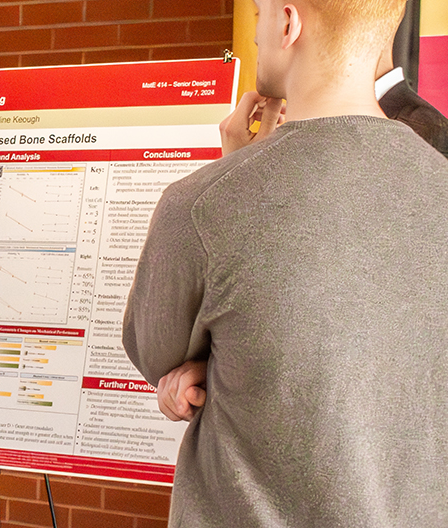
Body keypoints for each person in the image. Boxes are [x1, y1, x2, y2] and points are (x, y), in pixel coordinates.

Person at [123, 0, 448, 525]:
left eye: (258, 14)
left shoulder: (202, 205)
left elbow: (153, 349)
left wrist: (232, 175)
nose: (254, 34)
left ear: (288, 23)